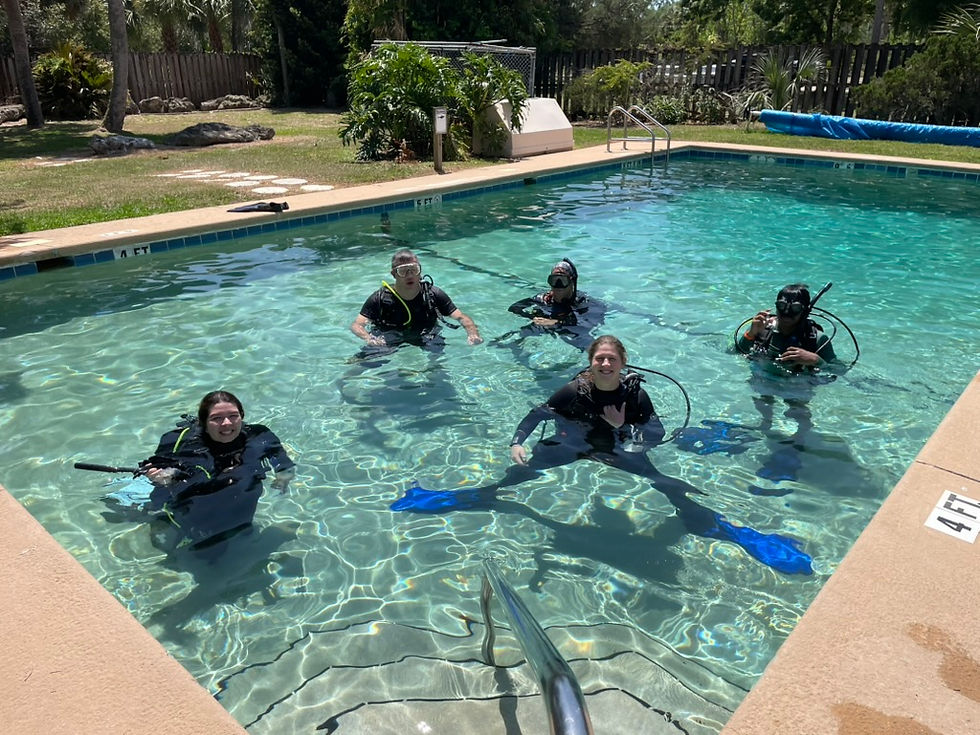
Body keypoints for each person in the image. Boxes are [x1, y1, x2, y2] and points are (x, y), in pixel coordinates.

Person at [392, 336, 813, 574]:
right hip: (573, 445)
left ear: (622, 362)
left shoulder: (634, 392)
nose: (605, 363)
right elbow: (538, 413)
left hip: (613, 448)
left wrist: (621, 429)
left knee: (669, 486)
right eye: (598, 358)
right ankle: (470, 497)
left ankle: (733, 533)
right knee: (515, 477)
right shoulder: (575, 390)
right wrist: (517, 442)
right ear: (590, 363)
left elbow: (654, 433)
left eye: (611, 358)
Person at [142, 390, 295, 549]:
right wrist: (161, 478)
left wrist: (283, 477)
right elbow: (159, 472)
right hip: (194, 505)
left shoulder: (259, 435)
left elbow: (282, 462)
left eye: (233, 416)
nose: (227, 423)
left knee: (242, 533)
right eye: (217, 418)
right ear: (203, 422)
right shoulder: (179, 442)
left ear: (242, 416)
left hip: (242, 497)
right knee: (204, 552)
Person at [733, 283, 840, 488]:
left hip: (796, 382)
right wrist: (750, 334)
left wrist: (816, 360)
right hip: (764, 376)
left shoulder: (816, 338)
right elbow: (734, 351)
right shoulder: (763, 328)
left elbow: (839, 370)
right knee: (764, 403)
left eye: (795, 308)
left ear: (805, 311)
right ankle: (765, 425)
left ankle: (800, 438)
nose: (786, 313)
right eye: (781, 306)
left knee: (798, 409)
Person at [351, 249, 482, 349]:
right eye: (403, 271)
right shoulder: (379, 298)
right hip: (389, 335)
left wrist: (472, 333)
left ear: (420, 271)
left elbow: (461, 317)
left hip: (426, 335)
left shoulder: (433, 294)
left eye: (413, 270)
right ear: (394, 274)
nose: (410, 275)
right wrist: (369, 339)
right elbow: (357, 325)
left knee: (437, 364)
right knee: (362, 363)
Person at [505, 258, 605, 350]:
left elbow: (589, 324)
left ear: (572, 282)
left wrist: (556, 323)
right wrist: (533, 317)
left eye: (562, 281)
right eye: (554, 280)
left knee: (595, 349)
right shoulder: (543, 299)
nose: (558, 286)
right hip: (545, 326)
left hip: (571, 331)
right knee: (508, 339)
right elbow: (514, 308)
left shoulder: (583, 302)